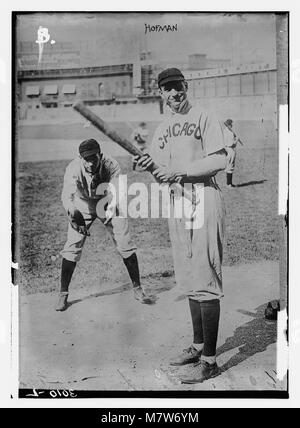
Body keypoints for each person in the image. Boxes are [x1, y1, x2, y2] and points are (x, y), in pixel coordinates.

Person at [136, 68, 227, 383]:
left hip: (203, 198)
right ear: (160, 93)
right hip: (178, 202)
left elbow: (219, 160)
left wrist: (180, 172)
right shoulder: (162, 128)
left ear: (186, 87)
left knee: (206, 277)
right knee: (189, 279)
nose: (174, 93)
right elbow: (162, 172)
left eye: (179, 87)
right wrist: (152, 167)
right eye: (168, 89)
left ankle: (211, 360)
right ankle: (198, 345)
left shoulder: (204, 117)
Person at [56, 138, 153, 311]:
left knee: (125, 243)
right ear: (80, 158)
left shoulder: (111, 164)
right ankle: (63, 294)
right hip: (82, 203)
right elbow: (67, 196)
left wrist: (109, 207)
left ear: (100, 155)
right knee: (72, 246)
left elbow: (117, 193)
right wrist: (73, 213)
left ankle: (138, 288)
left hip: (107, 201)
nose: (90, 162)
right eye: (86, 159)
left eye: (94, 157)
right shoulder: (73, 168)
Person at [223, 119, 241, 187]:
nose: (232, 125)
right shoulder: (229, 133)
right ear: (229, 125)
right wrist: (236, 139)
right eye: (231, 124)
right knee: (230, 167)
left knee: (229, 166)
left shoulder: (225, 131)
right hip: (230, 149)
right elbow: (232, 144)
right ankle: (229, 184)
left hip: (227, 149)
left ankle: (229, 183)